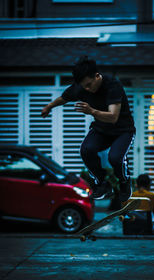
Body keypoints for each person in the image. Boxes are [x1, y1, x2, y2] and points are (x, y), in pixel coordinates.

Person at [41, 56, 136, 204]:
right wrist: (49, 107)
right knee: (86, 149)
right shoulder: (81, 87)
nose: (87, 89)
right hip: (101, 129)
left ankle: (124, 182)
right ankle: (102, 184)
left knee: (115, 157)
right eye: (84, 86)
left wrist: (92, 111)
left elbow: (113, 117)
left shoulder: (113, 86)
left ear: (97, 76)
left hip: (123, 130)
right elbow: (64, 98)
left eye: (89, 85)